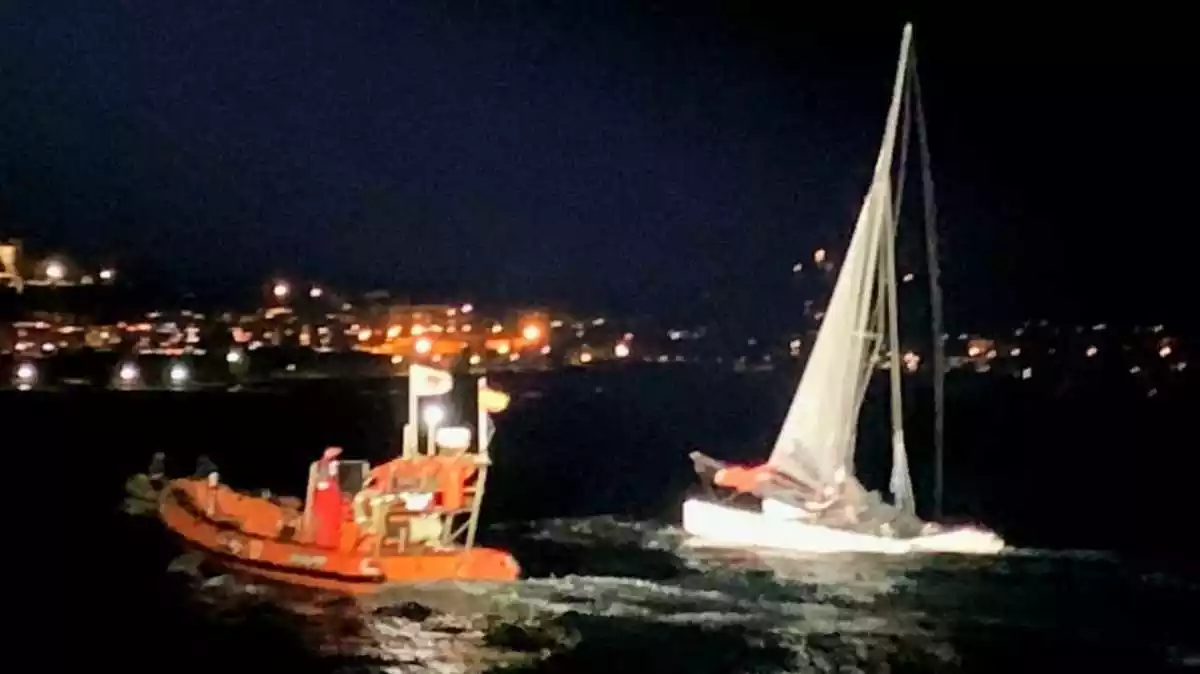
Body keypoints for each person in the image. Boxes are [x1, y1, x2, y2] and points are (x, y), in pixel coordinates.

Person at [310, 447, 344, 549]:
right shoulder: (331, 465)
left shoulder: (319, 464)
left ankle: (323, 541)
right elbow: (333, 477)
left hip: (323, 493)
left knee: (324, 520)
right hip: (328, 493)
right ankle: (328, 542)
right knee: (329, 520)